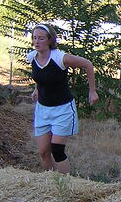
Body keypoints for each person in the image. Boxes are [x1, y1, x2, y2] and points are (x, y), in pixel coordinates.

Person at [27, 23, 99, 174]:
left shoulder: (60, 58)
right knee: (43, 153)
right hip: (43, 110)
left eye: (41, 38)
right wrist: (36, 89)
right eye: (34, 38)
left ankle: (65, 185)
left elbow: (88, 64)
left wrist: (92, 91)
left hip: (63, 109)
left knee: (57, 150)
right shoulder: (32, 57)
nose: (37, 42)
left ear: (49, 40)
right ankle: (52, 183)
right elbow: (41, 77)